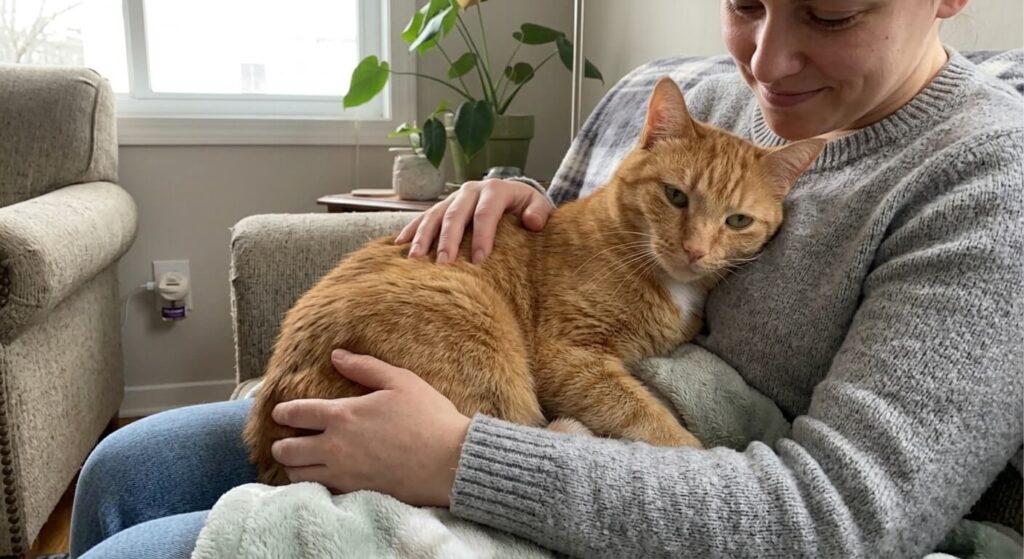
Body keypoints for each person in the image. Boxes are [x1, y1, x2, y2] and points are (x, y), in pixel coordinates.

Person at [70, 0, 1023, 557]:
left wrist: (460, 460)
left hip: (629, 494)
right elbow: (562, 239)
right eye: (742, 1)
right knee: (123, 466)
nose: (766, 58)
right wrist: (504, 194)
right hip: (493, 387)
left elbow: (844, 515)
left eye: (830, 10)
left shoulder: (987, 183)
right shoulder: (678, 89)